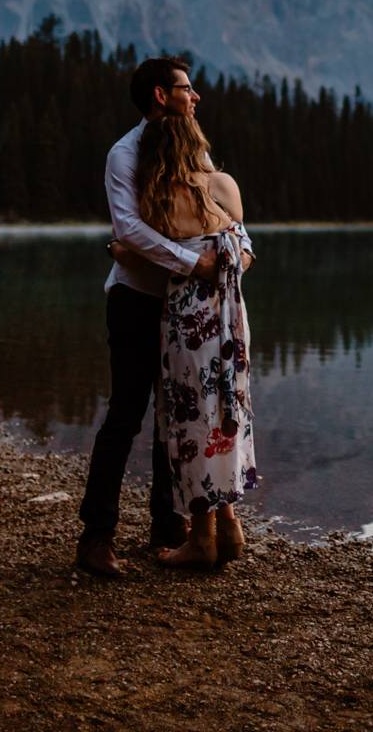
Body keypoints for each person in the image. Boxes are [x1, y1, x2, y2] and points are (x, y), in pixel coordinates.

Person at [75, 56, 249, 578]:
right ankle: (96, 537)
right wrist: (191, 262)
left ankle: (167, 522)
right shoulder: (123, 154)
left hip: (189, 307)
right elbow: (128, 228)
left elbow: (218, 215)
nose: (195, 96)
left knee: (176, 417)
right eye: (186, 88)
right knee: (126, 415)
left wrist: (238, 252)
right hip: (137, 300)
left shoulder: (190, 146)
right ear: (159, 94)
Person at [131, 112, 258, 568]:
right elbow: (243, 250)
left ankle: (203, 539)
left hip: (188, 317)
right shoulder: (224, 185)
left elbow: (141, 247)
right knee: (226, 409)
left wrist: (117, 249)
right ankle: (231, 528)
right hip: (229, 318)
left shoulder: (157, 197)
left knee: (191, 417)